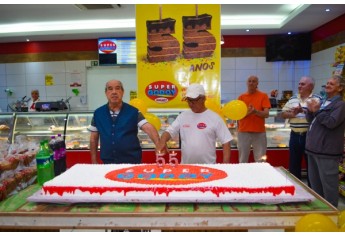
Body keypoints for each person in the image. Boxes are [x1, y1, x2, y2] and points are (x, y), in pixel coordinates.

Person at [156, 83, 232, 164]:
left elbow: (226, 142)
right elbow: (169, 132)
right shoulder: (183, 116)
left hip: (209, 168)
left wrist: (225, 165)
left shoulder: (215, 118)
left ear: (203, 99)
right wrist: (162, 141)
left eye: (194, 100)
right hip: (186, 168)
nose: (190, 104)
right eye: (188, 100)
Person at [88, 80, 160, 164]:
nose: (114, 92)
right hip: (108, 162)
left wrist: (158, 143)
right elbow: (93, 138)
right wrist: (94, 160)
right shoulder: (98, 113)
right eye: (110, 89)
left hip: (132, 161)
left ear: (122, 92)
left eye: (117, 88)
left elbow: (148, 128)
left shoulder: (133, 111)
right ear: (106, 93)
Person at [305, 75, 345, 208]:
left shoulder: (340, 105)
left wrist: (316, 111)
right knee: (315, 186)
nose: (327, 85)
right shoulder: (322, 102)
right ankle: (319, 212)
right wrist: (309, 111)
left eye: (331, 84)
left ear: (340, 88)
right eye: (327, 83)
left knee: (329, 186)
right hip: (313, 149)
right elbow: (313, 121)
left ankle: (331, 214)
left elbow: (331, 123)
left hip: (326, 152)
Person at [281, 76, 322, 184]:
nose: (299, 86)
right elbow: (283, 114)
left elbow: (321, 117)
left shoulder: (318, 99)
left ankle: (312, 190)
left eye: (302, 84)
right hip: (294, 135)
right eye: (299, 84)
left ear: (311, 86)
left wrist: (305, 111)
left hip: (310, 136)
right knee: (294, 165)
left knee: (311, 166)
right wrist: (292, 113)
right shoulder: (292, 99)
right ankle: (296, 189)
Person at [237, 75, 271, 163]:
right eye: (249, 81)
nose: (251, 83)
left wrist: (255, 111)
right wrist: (249, 112)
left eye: (254, 81)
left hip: (259, 132)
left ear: (257, 84)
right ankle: (242, 176)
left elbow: (266, 114)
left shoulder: (263, 96)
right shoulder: (241, 97)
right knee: (242, 160)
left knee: (260, 160)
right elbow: (238, 116)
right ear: (247, 83)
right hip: (243, 132)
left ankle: (260, 176)